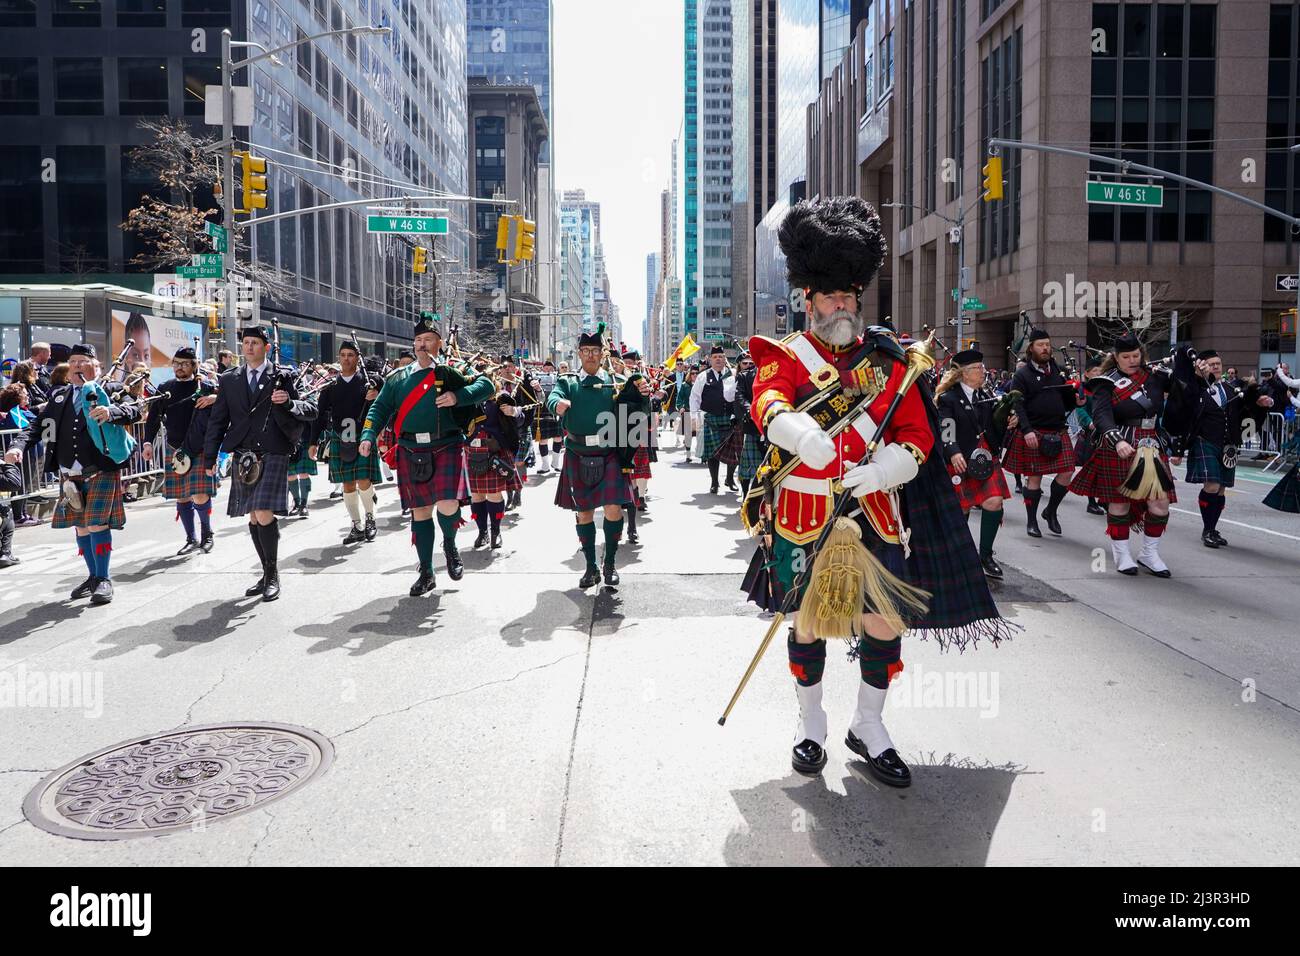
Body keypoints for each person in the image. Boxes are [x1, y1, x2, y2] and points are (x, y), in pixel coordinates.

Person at [742, 196, 1013, 786]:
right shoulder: (785, 355)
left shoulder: (892, 363)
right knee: (808, 622)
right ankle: (809, 724)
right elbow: (766, 403)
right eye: (830, 295)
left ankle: (869, 725)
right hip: (803, 511)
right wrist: (797, 431)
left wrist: (889, 466)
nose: (842, 305)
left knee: (883, 621)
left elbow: (917, 436)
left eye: (850, 295)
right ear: (807, 299)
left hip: (875, 510)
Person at [359, 315, 493, 597]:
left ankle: (450, 545)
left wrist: (459, 397)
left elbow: (487, 386)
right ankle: (426, 572)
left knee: (447, 503)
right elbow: (379, 409)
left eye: (428, 340)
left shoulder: (452, 369)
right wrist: (368, 435)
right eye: (418, 340)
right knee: (420, 513)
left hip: (447, 445)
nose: (422, 345)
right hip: (411, 449)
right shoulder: (398, 378)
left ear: (439, 343)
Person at [4, 343, 143, 605]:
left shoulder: (111, 389)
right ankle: (92, 577)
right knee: (80, 527)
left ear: (97, 366)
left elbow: (135, 409)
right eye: (74, 362)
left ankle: (103, 579)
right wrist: (17, 446)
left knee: (96, 523)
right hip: (70, 474)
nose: (78, 366)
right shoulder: (58, 397)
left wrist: (111, 412)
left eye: (84, 361)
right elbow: (40, 427)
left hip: (100, 468)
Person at [203, 325, 317, 602]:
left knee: (263, 512)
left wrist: (289, 402)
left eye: (255, 343)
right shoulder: (230, 379)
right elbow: (218, 420)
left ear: (267, 347)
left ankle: (273, 574)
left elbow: (311, 408)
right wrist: (210, 458)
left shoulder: (283, 376)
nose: (249, 347)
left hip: (274, 451)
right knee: (253, 516)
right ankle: (266, 574)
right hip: (244, 454)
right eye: (246, 343)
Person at [547, 324, 653, 588]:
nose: (591, 355)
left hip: (608, 453)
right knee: (584, 514)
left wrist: (643, 396)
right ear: (579, 353)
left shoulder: (614, 382)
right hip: (577, 452)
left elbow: (637, 410)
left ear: (603, 353)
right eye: (586, 350)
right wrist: (557, 405)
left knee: (614, 509)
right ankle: (591, 567)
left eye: (595, 350)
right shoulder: (568, 382)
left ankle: (610, 565)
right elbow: (552, 397)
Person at [1069, 334, 1177, 577]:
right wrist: (1116, 440)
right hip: (1120, 442)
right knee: (1119, 502)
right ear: (1115, 358)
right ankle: (1122, 554)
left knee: (1160, 503)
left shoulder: (1156, 377)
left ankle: (1149, 553)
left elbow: (1185, 393)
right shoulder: (1105, 382)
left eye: (1136, 356)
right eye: (1126, 357)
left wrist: (1185, 366)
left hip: (1151, 442)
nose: (1132, 360)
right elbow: (1102, 415)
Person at [1176, 349, 1272, 548]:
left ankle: (1212, 528)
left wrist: (1261, 405)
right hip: (1205, 441)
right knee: (1211, 485)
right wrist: (1177, 448)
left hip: (1227, 444)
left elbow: (1245, 413)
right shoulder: (1196, 389)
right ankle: (1207, 530)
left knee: (1220, 489)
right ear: (1201, 367)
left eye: (1218, 363)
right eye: (1211, 364)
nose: (1216, 366)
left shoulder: (1230, 389)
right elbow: (1182, 412)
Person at [935, 349, 1011, 578]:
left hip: (985, 457)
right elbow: (945, 427)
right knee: (963, 507)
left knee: (994, 501)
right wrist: (953, 452)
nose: (983, 372)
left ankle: (985, 556)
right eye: (979, 368)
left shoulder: (984, 395)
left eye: (983, 368)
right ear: (965, 374)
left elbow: (992, 427)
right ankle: (957, 555)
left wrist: (1008, 420)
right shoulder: (948, 398)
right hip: (961, 457)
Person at [142, 347, 220, 555]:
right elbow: (152, 418)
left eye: (184, 364)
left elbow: (227, 405)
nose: (179, 367)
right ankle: (190, 538)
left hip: (198, 447)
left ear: (195, 365)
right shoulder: (165, 388)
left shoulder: (205, 386)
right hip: (174, 447)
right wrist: (147, 442)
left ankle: (207, 534)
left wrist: (214, 397)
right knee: (181, 496)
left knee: (200, 494)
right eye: (176, 363)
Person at [1002, 330, 1077, 537]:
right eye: (1040, 345)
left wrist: (1077, 399)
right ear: (1031, 348)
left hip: (1058, 430)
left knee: (1067, 472)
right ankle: (1032, 520)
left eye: (1047, 344)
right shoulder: (1022, 374)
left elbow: (1067, 401)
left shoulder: (1059, 371)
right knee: (1034, 478)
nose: (1045, 348)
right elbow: (1017, 404)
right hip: (1034, 431)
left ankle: (1050, 510)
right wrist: (1026, 430)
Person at [317, 342, 382, 544]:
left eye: (351, 355)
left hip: (363, 435)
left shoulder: (370, 382)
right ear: (339, 357)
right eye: (343, 355)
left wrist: (376, 395)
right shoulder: (331, 387)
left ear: (357, 357)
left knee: (363, 480)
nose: (346, 359)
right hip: (341, 437)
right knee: (347, 484)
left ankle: (370, 519)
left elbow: (386, 403)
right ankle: (356, 525)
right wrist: (312, 441)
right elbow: (319, 416)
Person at [466, 367, 523, 550]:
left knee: (494, 495)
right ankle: (482, 531)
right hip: (472, 453)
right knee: (476, 496)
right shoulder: (468, 400)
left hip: (495, 453)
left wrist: (514, 411)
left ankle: (496, 532)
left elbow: (520, 419)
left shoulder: (501, 399)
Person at [691, 345, 740, 493]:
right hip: (711, 419)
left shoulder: (732, 374)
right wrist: (694, 416)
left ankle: (730, 479)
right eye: (715, 357)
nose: (718, 359)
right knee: (712, 454)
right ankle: (714, 482)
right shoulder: (703, 376)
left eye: (721, 356)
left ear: (725, 358)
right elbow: (695, 397)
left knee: (735, 452)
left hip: (730, 418)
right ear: (710, 360)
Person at [734, 351, 766, 499]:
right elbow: (739, 396)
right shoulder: (744, 376)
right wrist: (751, 409)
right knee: (748, 467)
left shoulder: (776, 373)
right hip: (753, 425)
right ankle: (747, 496)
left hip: (774, 426)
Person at [533, 359, 564, 474]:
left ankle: (556, 463)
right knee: (543, 439)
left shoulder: (558, 378)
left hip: (556, 408)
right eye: (546, 368)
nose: (548, 370)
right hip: (542, 410)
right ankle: (545, 465)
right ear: (543, 369)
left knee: (558, 438)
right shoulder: (536, 378)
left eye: (550, 368)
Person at [676, 366, 699, 461]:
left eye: (696, 373)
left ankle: (701, 453)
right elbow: (679, 398)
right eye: (692, 373)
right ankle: (688, 455)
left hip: (699, 413)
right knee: (688, 435)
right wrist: (681, 407)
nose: (695, 375)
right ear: (689, 374)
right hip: (688, 412)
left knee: (700, 435)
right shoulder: (685, 385)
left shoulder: (702, 384)